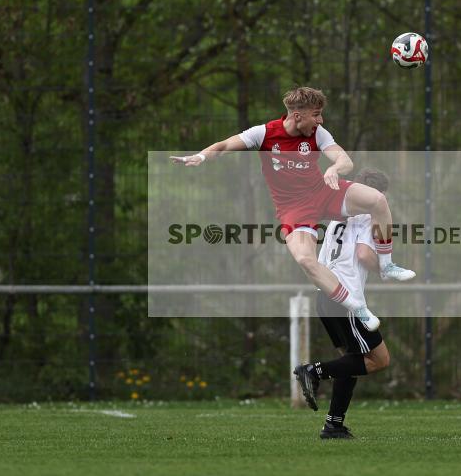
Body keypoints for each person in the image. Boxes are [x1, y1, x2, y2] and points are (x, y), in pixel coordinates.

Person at [171, 86, 413, 330]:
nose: (320, 120)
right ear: (298, 116)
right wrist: (200, 157)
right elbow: (223, 146)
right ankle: (358, 307)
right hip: (294, 209)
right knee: (306, 260)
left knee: (377, 200)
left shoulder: (318, 133)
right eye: (316, 114)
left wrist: (334, 168)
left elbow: (344, 159)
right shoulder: (263, 134)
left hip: (323, 191)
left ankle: (387, 264)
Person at [293, 167, 393, 440]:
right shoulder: (367, 218)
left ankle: (333, 425)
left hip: (325, 296)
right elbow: (363, 255)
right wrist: (383, 267)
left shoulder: (337, 216)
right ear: (377, 195)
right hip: (346, 299)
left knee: (352, 360)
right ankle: (312, 371)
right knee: (379, 360)